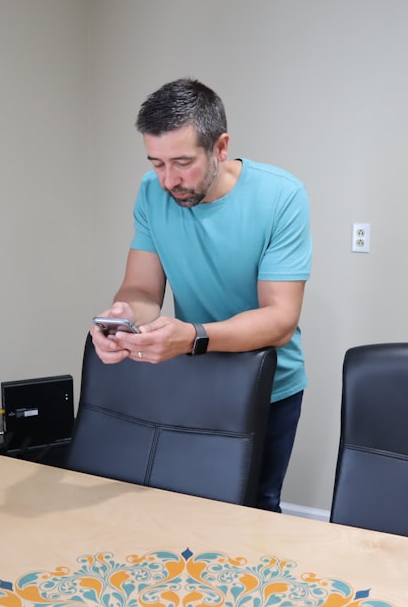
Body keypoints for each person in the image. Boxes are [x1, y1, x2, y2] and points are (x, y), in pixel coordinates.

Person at [89, 78, 312, 512]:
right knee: (194, 506)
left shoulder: (282, 196)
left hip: (269, 383)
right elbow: (142, 289)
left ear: (221, 147)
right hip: (193, 374)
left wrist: (192, 337)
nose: (169, 180)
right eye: (156, 163)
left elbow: (280, 319)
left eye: (182, 163)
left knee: (257, 509)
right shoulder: (152, 192)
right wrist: (122, 315)